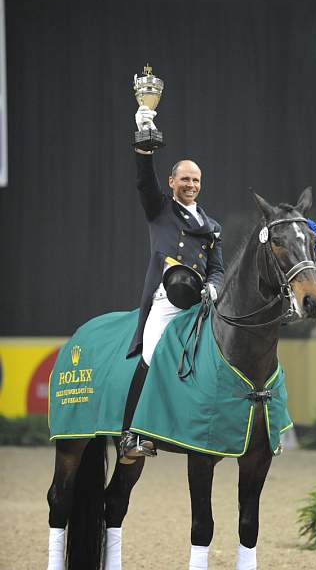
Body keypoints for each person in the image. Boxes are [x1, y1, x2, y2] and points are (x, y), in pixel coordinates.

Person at [119, 105, 224, 462]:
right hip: (167, 301)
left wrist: (214, 286)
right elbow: (143, 181)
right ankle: (131, 434)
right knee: (151, 353)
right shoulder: (160, 209)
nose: (190, 185)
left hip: (200, 304)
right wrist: (144, 145)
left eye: (195, 180)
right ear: (172, 182)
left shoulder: (212, 227)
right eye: (184, 179)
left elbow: (218, 269)